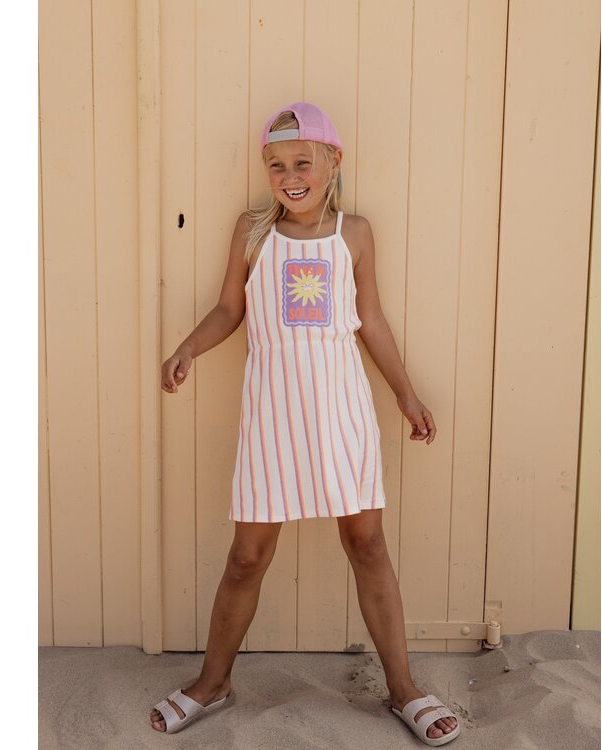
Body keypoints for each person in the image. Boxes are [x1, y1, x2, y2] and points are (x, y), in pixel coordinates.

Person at [150, 102, 461, 746]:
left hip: (342, 411)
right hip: (271, 417)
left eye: (302, 163)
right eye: (277, 166)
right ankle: (213, 681)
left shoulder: (354, 234)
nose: (290, 177)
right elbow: (228, 309)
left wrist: (406, 394)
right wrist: (187, 348)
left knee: (367, 545)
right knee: (247, 556)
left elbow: (370, 320)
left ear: (332, 162)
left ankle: (403, 687)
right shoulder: (252, 232)